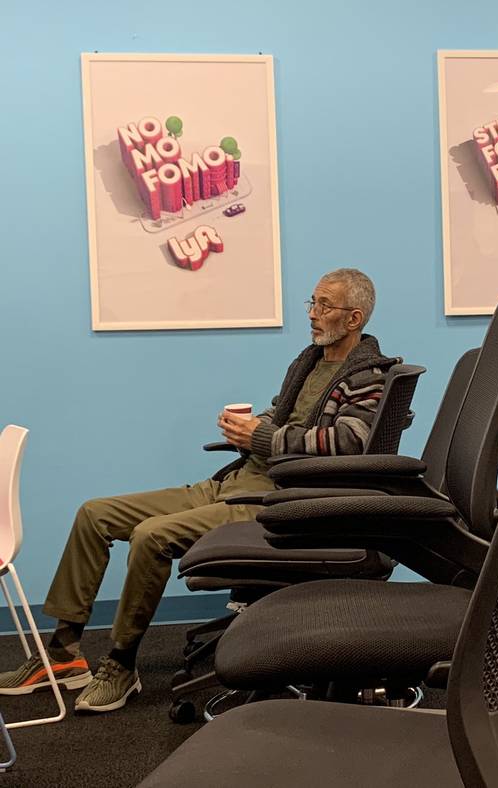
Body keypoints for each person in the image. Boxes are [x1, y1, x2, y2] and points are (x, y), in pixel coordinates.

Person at [0, 268, 402, 713]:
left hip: (277, 498)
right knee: (95, 514)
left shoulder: (369, 376)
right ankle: (62, 656)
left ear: (354, 318)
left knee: (152, 535)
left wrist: (262, 437)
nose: (312, 313)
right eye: (312, 302)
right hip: (233, 480)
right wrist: (247, 429)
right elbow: (281, 417)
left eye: (324, 306)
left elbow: (349, 443)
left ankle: (120, 664)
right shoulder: (308, 362)